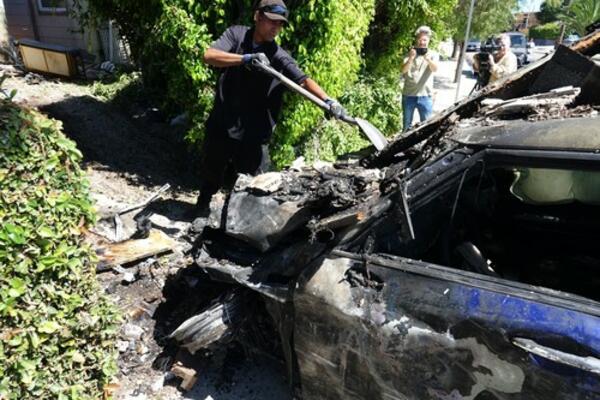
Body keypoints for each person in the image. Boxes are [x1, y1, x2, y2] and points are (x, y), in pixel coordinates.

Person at [196, 0, 346, 213]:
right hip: (223, 122)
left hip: (254, 134)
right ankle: (201, 207)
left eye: (280, 24)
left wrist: (328, 100)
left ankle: (238, 227)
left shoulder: (278, 55)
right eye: (271, 22)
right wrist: (245, 58)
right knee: (212, 171)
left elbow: (303, 80)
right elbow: (209, 56)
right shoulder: (236, 35)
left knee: (253, 186)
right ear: (257, 16)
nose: (275, 28)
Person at [401, 26, 439, 132]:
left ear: (428, 40)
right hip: (408, 95)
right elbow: (403, 71)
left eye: (425, 40)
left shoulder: (433, 54)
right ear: (416, 39)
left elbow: (435, 69)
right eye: (420, 39)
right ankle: (404, 148)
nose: (422, 42)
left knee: (426, 127)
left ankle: (424, 148)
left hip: (425, 96)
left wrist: (428, 59)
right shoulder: (410, 53)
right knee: (406, 126)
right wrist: (410, 58)